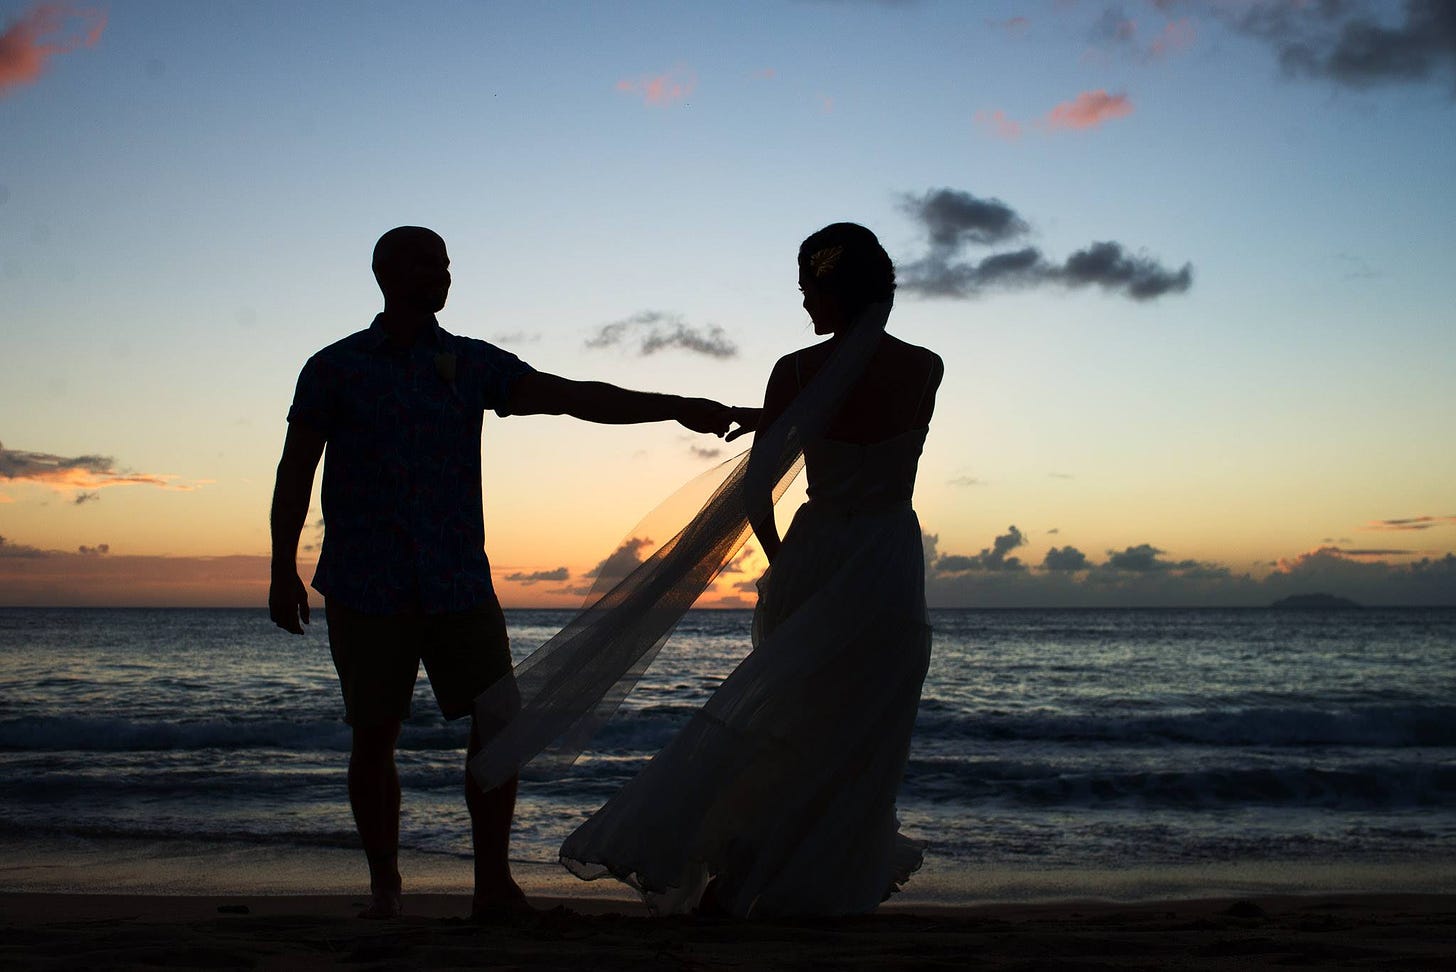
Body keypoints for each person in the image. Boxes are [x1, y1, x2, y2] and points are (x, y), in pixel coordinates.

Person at [268, 225, 737, 920]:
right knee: (374, 734)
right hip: (367, 585)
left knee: (499, 722)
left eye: (448, 264)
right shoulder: (334, 367)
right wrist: (282, 568)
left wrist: (675, 408)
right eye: (429, 263)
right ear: (387, 273)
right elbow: (296, 469)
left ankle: (493, 884)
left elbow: (574, 395)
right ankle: (384, 888)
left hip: (458, 582)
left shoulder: (471, 362)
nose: (444, 274)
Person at [557, 222, 943, 917]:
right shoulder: (926, 368)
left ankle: (743, 865)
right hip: (888, 555)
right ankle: (822, 879)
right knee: (864, 726)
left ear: (833, 290)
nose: (802, 307)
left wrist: (779, 556)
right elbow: (857, 414)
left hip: (816, 552)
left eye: (807, 291)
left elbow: (757, 484)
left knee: (789, 719)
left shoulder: (794, 372)